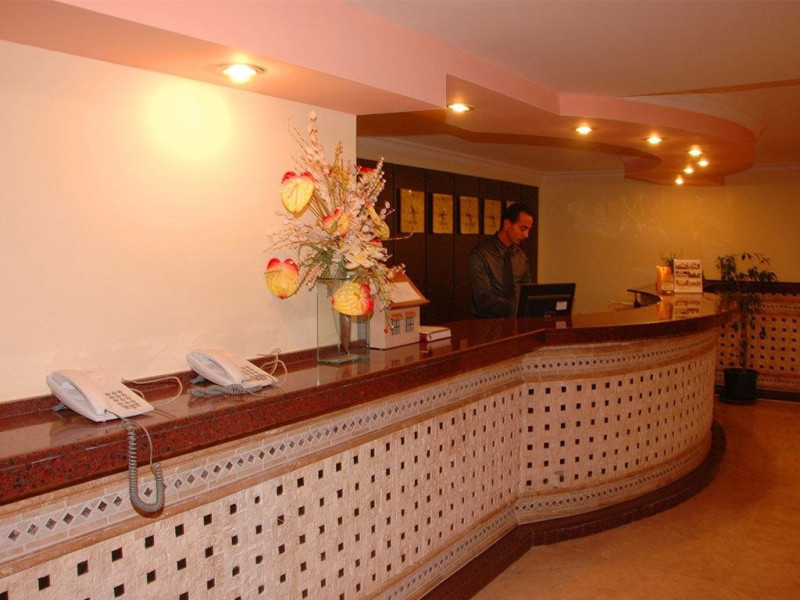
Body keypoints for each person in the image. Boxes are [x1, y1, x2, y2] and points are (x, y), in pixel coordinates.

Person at [468, 202, 534, 318]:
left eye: (528, 230)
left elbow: (527, 291)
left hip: (517, 321)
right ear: (507, 224)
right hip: (489, 323)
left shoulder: (520, 256)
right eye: (523, 229)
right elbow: (483, 299)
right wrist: (514, 307)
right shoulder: (481, 255)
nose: (526, 235)